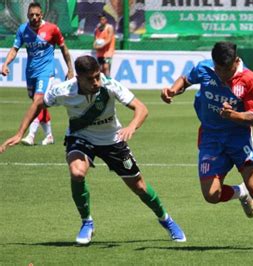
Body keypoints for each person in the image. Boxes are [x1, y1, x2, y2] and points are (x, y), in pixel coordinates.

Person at [0, 55, 186, 245]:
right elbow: (38, 103)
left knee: (139, 187)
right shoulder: (64, 90)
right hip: (81, 137)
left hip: (112, 140)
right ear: (78, 78)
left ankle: (166, 220)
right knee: (77, 172)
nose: (96, 82)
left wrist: (131, 127)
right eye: (90, 79)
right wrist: (19, 132)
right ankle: (86, 222)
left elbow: (141, 108)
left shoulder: (110, 85)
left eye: (97, 76)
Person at [161, 41, 253, 233]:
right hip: (211, 137)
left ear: (236, 61)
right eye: (218, 68)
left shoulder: (249, 79)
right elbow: (186, 79)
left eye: (225, 70)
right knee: (211, 195)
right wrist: (173, 90)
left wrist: (233, 115)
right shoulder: (205, 68)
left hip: (239, 138)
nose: (221, 74)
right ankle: (240, 192)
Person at [1, 2, 74, 146]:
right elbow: (15, 48)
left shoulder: (52, 29)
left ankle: (30, 135)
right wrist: (5, 64)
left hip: (46, 72)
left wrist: (70, 69)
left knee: (38, 100)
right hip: (30, 72)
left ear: (42, 15)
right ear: (28, 15)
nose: (34, 17)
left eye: (36, 14)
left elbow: (64, 49)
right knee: (38, 104)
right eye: (31, 15)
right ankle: (49, 135)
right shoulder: (23, 29)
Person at [94, 13, 115, 78]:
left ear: (106, 20)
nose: (101, 21)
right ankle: (102, 84)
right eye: (100, 19)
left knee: (106, 67)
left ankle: (109, 82)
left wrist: (101, 45)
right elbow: (96, 39)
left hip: (108, 52)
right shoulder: (97, 28)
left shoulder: (109, 27)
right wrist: (95, 45)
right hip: (100, 53)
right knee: (100, 69)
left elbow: (109, 39)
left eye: (103, 19)